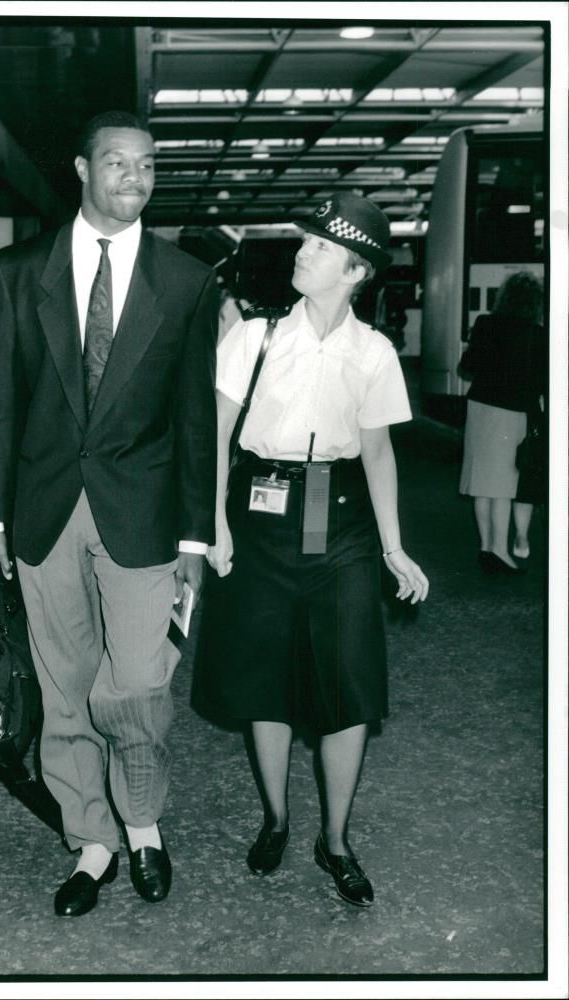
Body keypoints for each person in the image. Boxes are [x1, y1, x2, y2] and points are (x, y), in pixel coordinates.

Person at [0, 110, 218, 916]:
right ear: (82, 168)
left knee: (139, 683)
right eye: (118, 164)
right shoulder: (19, 270)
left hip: (144, 515)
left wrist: (193, 536)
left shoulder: (184, 282)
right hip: (43, 509)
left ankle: (142, 822)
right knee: (65, 683)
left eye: (147, 166)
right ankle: (93, 840)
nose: (135, 179)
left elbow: (194, 421)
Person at [195, 192, 429, 908]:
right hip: (260, 519)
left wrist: (394, 548)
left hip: (345, 523)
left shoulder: (374, 352)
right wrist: (216, 524)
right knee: (265, 678)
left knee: (347, 687)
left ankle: (336, 840)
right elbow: (215, 436)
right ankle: (276, 818)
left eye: (322, 247)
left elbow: (381, 453)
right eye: (307, 241)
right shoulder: (255, 338)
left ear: (355, 271)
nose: (304, 252)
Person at [458, 270, 545, 573]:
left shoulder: (485, 324)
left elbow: (466, 367)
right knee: (504, 487)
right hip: (513, 413)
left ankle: (486, 547)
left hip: (481, 407)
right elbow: (541, 382)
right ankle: (501, 551)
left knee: (482, 484)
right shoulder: (538, 334)